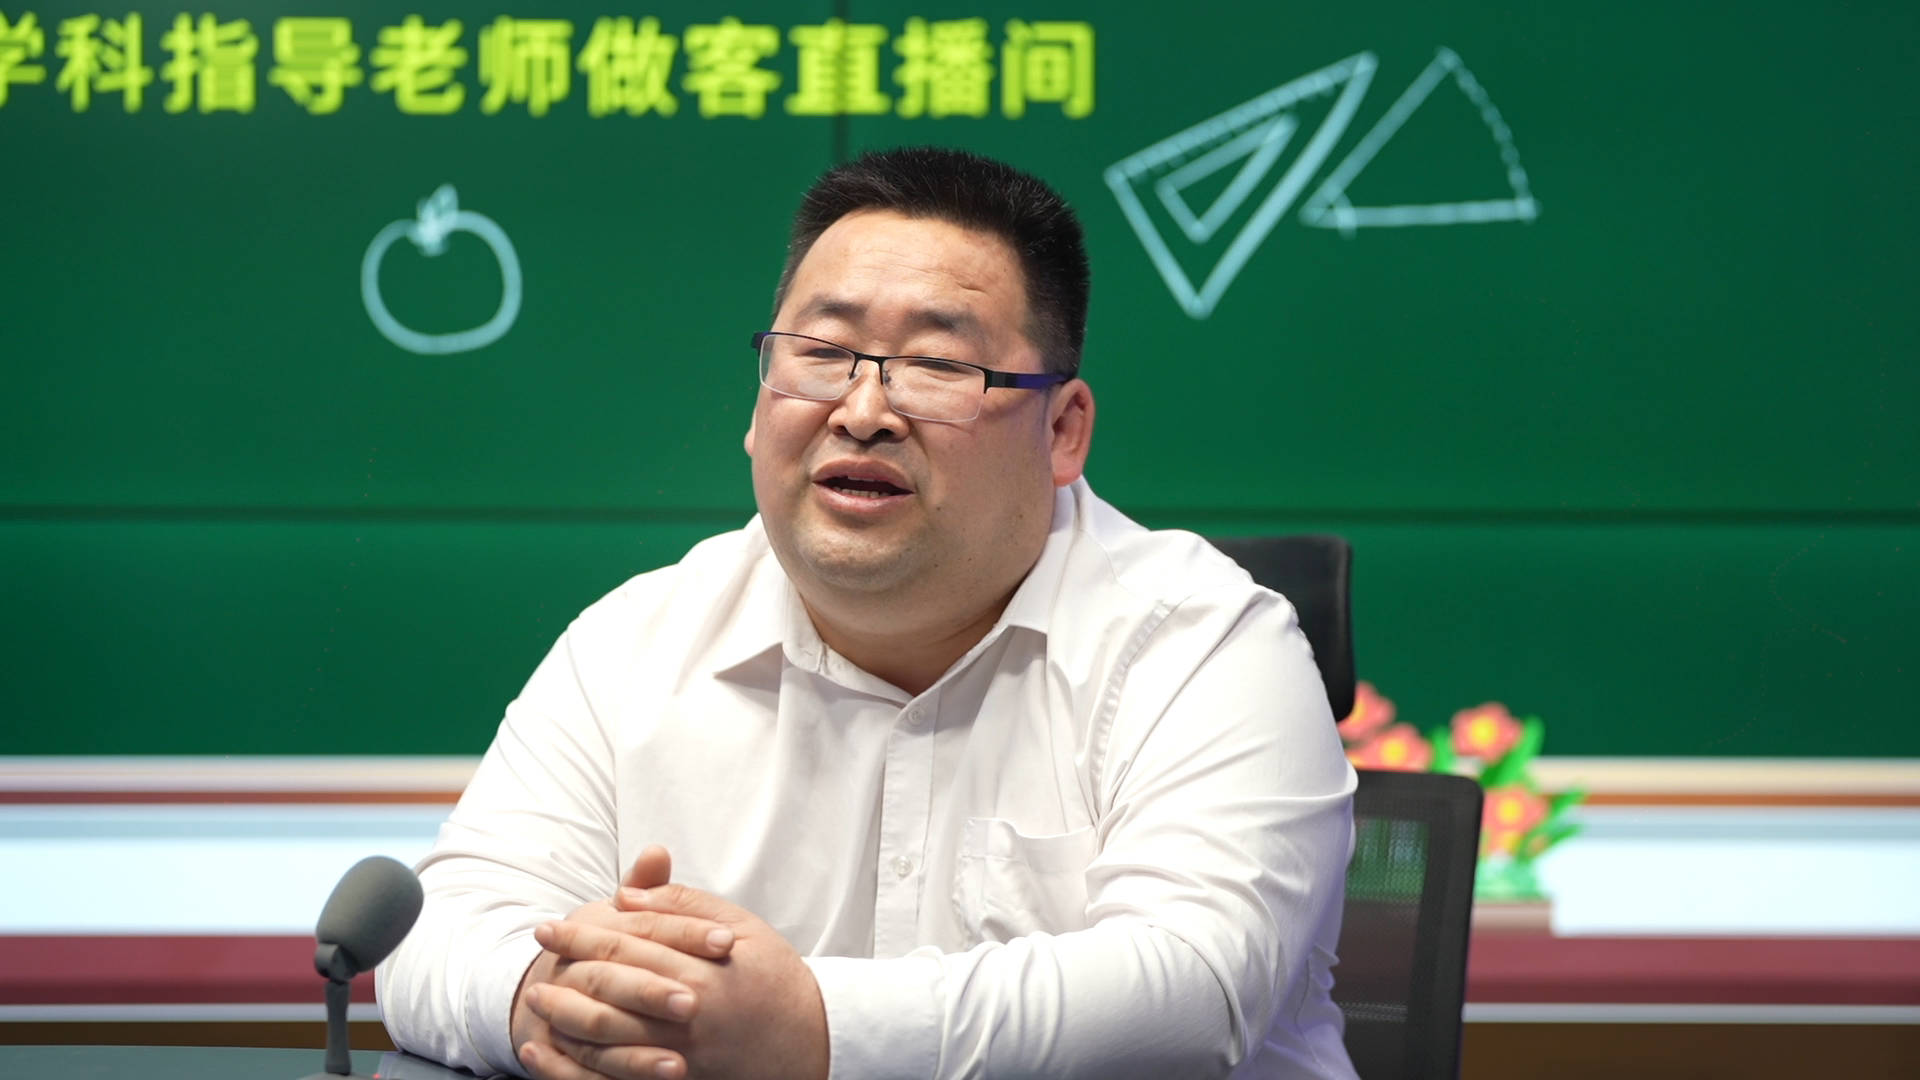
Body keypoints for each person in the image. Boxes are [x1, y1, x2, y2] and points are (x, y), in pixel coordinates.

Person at [376, 146, 1358, 1080]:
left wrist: (811, 1029)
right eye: (821, 352)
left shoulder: (1207, 643)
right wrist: (546, 1000)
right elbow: (435, 930)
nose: (862, 411)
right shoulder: (634, 644)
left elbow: (1193, 988)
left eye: (936, 365)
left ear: (1063, 430)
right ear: (759, 403)